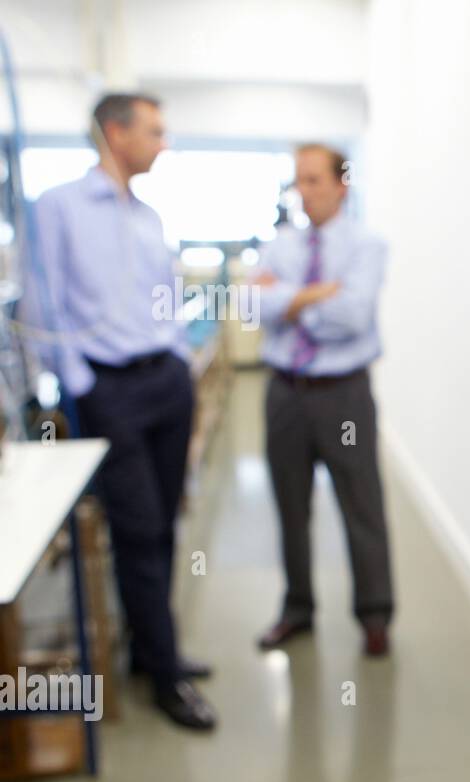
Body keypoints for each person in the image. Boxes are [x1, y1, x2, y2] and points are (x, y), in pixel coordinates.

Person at [25, 93, 217, 730]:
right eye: (154, 131)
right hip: (110, 391)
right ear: (115, 132)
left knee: (163, 524)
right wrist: (82, 385)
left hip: (165, 382)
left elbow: (164, 300)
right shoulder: (57, 208)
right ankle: (164, 677)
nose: (164, 144)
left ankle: (151, 650)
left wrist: (175, 362)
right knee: (135, 530)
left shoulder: (149, 216)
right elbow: (40, 304)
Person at [253, 144, 394, 657]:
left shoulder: (367, 245)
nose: (305, 192)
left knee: (362, 506)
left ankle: (375, 617)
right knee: (290, 508)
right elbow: (253, 306)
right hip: (285, 393)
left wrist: (286, 302)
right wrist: (316, 294)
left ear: (342, 184)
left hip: (344, 396)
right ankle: (297, 609)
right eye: (299, 181)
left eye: (315, 180)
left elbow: (353, 316)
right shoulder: (280, 245)